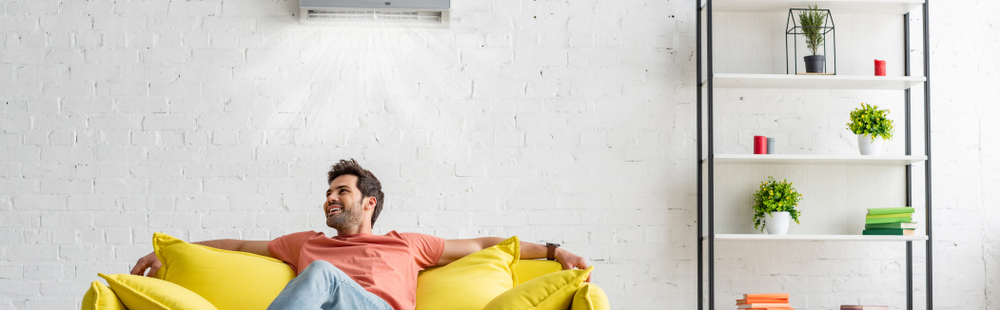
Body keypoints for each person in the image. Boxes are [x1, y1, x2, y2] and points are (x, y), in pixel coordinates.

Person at [130, 159, 589, 310]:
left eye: (341, 191)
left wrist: (553, 249)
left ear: (368, 202)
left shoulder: (406, 244)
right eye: (328, 192)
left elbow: (487, 246)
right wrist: (169, 254)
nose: (331, 198)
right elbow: (235, 246)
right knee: (321, 272)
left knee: (323, 275)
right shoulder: (305, 242)